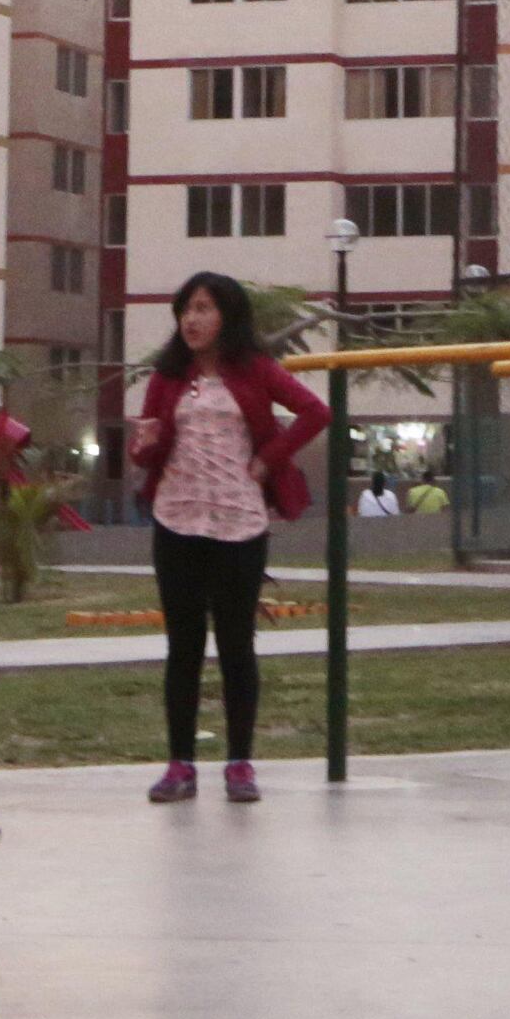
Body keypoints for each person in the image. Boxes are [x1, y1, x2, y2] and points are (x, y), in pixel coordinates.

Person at [126, 266, 331, 802]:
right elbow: (145, 451)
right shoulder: (167, 375)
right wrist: (143, 444)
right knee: (183, 646)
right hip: (176, 519)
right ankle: (180, 765)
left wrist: (269, 460)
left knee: (237, 644)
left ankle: (240, 763)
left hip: (239, 522)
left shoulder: (256, 369)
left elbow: (315, 411)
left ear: (227, 316)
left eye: (203, 309)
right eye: (186, 309)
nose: (192, 320)